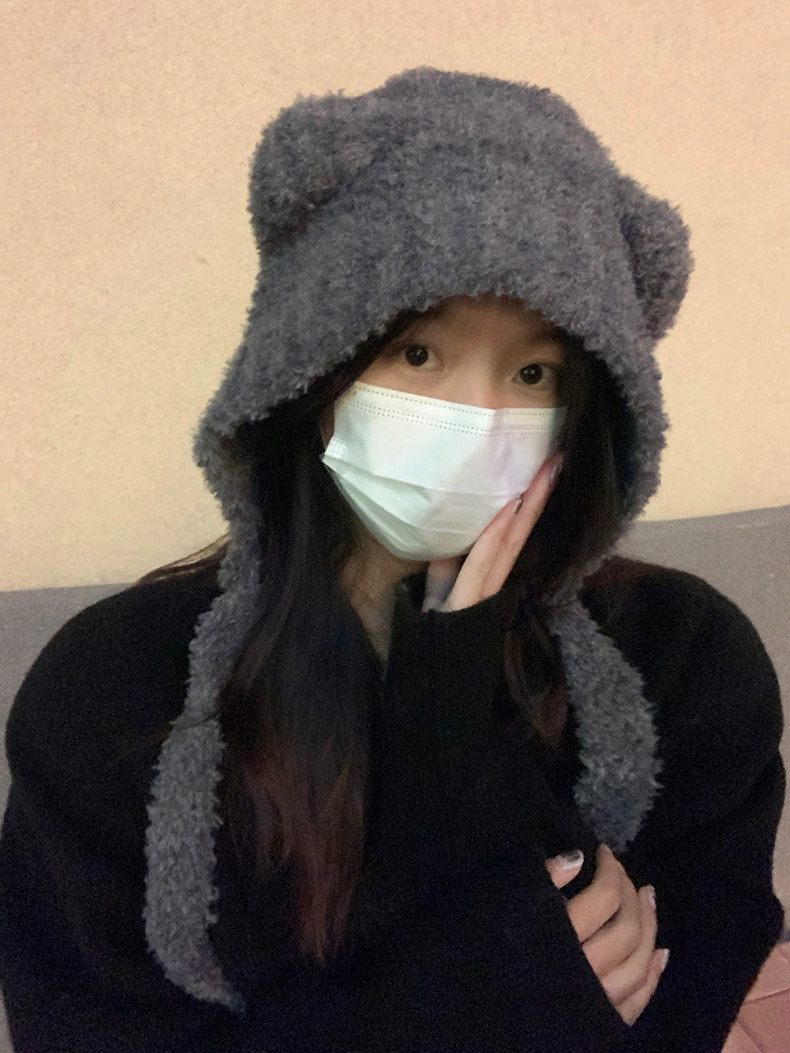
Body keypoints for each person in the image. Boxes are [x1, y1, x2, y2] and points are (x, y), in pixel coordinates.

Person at [0, 67, 784, 1053]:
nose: (475, 419)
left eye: (533, 371)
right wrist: (453, 1004)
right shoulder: (113, 693)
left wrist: (448, 708)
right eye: (417, 353)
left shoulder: (684, 662)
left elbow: (681, 1007)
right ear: (309, 375)